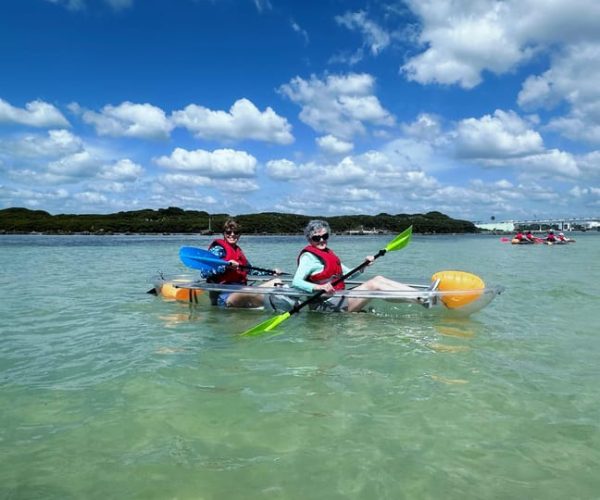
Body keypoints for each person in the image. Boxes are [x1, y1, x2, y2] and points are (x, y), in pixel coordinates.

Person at [290, 219, 438, 312]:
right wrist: (319, 287)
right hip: (325, 305)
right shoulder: (308, 257)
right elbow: (296, 282)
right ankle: (422, 298)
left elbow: (351, 274)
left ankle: (422, 297)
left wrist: (364, 265)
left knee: (378, 278)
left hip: (338, 297)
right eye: (317, 238)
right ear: (310, 240)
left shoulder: (329, 254)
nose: (322, 240)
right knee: (373, 285)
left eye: (325, 236)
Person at [204, 218, 282, 308]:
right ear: (224, 234)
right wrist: (226, 266)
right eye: (229, 232)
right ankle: (276, 304)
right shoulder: (217, 249)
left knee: (277, 281)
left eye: (236, 232)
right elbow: (205, 272)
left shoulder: (238, 251)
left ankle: (279, 302)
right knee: (248, 290)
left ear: (239, 235)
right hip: (224, 296)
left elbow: (250, 270)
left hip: (241, 291)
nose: (232, 235)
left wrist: (272, 272)